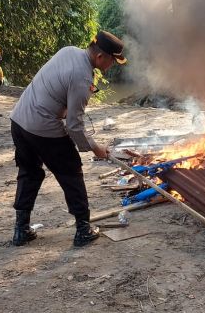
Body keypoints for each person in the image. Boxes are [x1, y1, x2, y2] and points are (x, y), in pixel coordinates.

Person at [9, 30, 127, 247]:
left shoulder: (69, 51)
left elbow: (53, 90)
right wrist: (95, 148)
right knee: (71, 171)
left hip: (19, 121)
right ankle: (83, 229)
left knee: (30, 172)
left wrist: (62, 111)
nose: (112, 66)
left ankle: (21, 229)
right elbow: (74, 126)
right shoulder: (83, 77)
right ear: (101, 57)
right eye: (113, 61)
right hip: (41, 126)